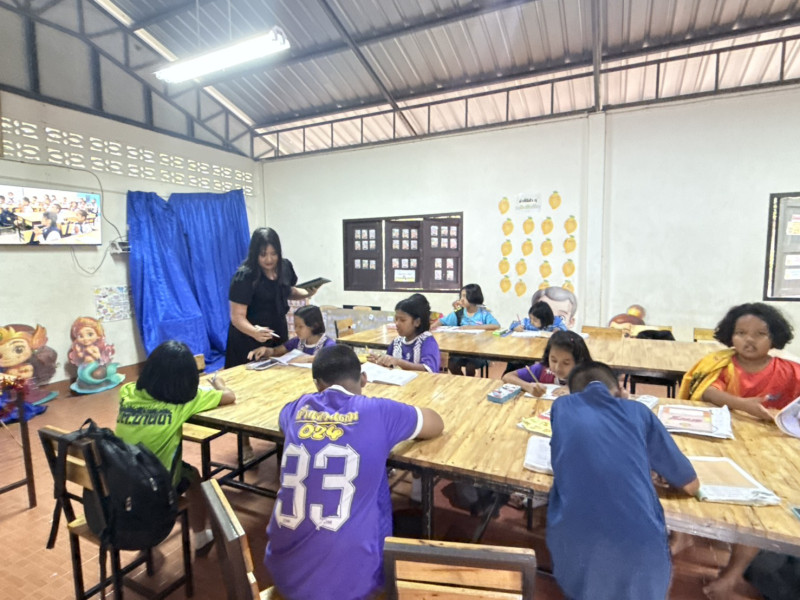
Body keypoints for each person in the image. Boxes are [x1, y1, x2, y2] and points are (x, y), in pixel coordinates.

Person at [264, 344, 444, 600]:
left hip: (283, 578)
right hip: (353, 587)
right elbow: (436, 423)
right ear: (364, 379)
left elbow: (284, 421)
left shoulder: (296, 409)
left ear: (317, 385)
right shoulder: (379, 411)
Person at [677, 302, 800, 599]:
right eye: (741, 333)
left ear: (775, 338)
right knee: (687, 477)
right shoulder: (721, 365)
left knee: (755, 511)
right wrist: (744, 405)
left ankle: (732, 575)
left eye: (759, 334)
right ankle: (683, 534)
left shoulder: (790, 371)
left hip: (770, 451)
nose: (749, 340)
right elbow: (706, 391)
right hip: (722, 443)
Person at [547, 361, 699, 600]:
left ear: (572, 392)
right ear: (620, 389)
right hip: (641, 557)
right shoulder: (638, 412)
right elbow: (691, 485)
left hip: (574, 552)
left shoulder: (561, 407)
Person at [115, 340, 235, 556]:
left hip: (123, 478)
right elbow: (229, 397)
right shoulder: (184, 402)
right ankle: (200, 537)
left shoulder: (127, 392)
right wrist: (219, 383)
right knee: (194, 478)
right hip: (157, 487)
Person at [225, 227, 317, 369]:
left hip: (277, 332)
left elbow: (287, 291)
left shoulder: (285, 266)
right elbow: (237, 317)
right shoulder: (244, 277)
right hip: (249, 337)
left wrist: (307, 293)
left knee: (279, 371)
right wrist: (254, 332)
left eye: (274, 254)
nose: (269, 259)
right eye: (263, 255)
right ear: (255, 254)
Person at [433, 283, 499, 376]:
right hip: (460, 350)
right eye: (461, 296)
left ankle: (470, 381)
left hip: (479, 352)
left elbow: (496, 326)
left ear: (473, 297)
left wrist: (472, 328)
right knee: (451, 364)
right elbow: (442, 321)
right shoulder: (459, 313)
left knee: (470, 366)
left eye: (464, 296)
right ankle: (462, 380)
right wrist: (431, 327)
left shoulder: (483, 313)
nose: (461, 299)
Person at [502, 330, 591, 396]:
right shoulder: (543, 369)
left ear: (579, 362)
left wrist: (574, 389)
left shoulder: (588, 375)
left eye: (566, 363)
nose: (557, 367)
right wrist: (528, 386)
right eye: (553, 360)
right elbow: (507, 377)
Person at [369, 293, 440, 372]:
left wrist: (398, 362)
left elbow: (429, 370)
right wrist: (379, 362)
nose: (397, 323)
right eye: (396, 319)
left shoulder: (427, 341)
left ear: (417, 322)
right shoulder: (396, 342)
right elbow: (389, 365)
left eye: (402, 320)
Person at [247, 305, 334, 363]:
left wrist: (307, 359)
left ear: (314, 325)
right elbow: (275, 351)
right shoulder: (297, 341)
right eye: (295, 326)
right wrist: (265, 350)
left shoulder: (328, 344)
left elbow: (330, 358)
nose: (296, 330)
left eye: (300, 327)